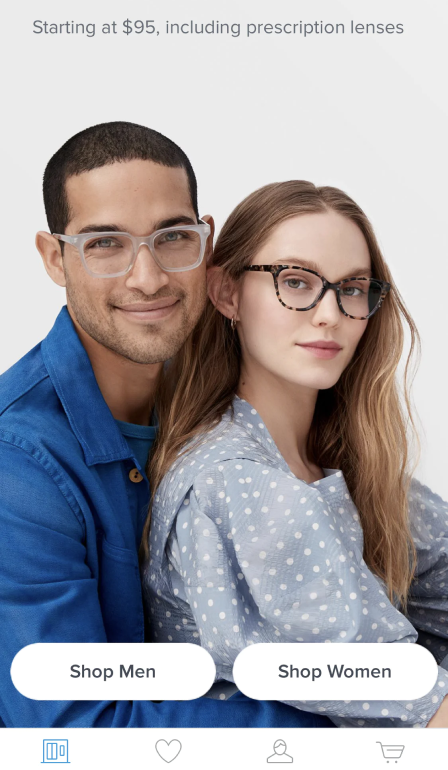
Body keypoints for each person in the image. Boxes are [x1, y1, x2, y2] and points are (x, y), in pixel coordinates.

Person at [0, 122, 322, 729]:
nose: (147, 278)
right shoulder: (16, 462)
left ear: (207, 240)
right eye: (104, 244)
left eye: (172, 238)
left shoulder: (248, 382)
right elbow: (77, 724)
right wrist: (360, 722)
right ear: (53, 257)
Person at [145, 179, 448, 728]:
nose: (330, 313)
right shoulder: (238, 483)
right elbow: (416, 704)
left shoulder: (345, 467)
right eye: (295, 281)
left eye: (352, 288)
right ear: (226, 293)